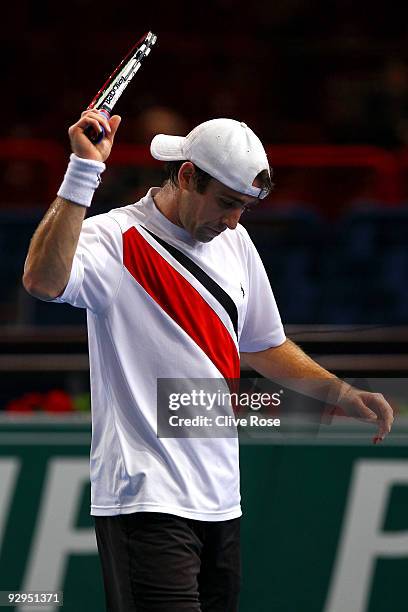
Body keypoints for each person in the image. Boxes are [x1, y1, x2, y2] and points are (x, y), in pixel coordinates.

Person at [23, 110, 394, 612]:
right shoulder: (114, 240)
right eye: (225, 203)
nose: (233, 220)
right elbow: (42, 282)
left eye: (243, 207)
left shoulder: (235, 241)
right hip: (146, 500)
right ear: (187, 175)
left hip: (221, 504)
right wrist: (82, 171)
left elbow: (264, 343)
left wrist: (340, 391)